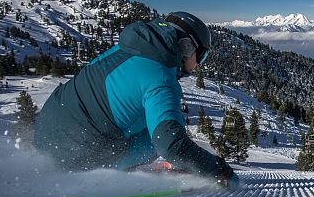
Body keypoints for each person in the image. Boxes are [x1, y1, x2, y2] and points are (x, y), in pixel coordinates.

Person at [34, 12, 239, 188]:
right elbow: (171, 145)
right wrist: (220, 171)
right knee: (155, 135)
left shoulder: (127, 48)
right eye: (201, 57)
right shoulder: (161, 78)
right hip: (75, 158)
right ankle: (114, 172)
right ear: (187, 48)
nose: (199, 65)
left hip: (44, 133)